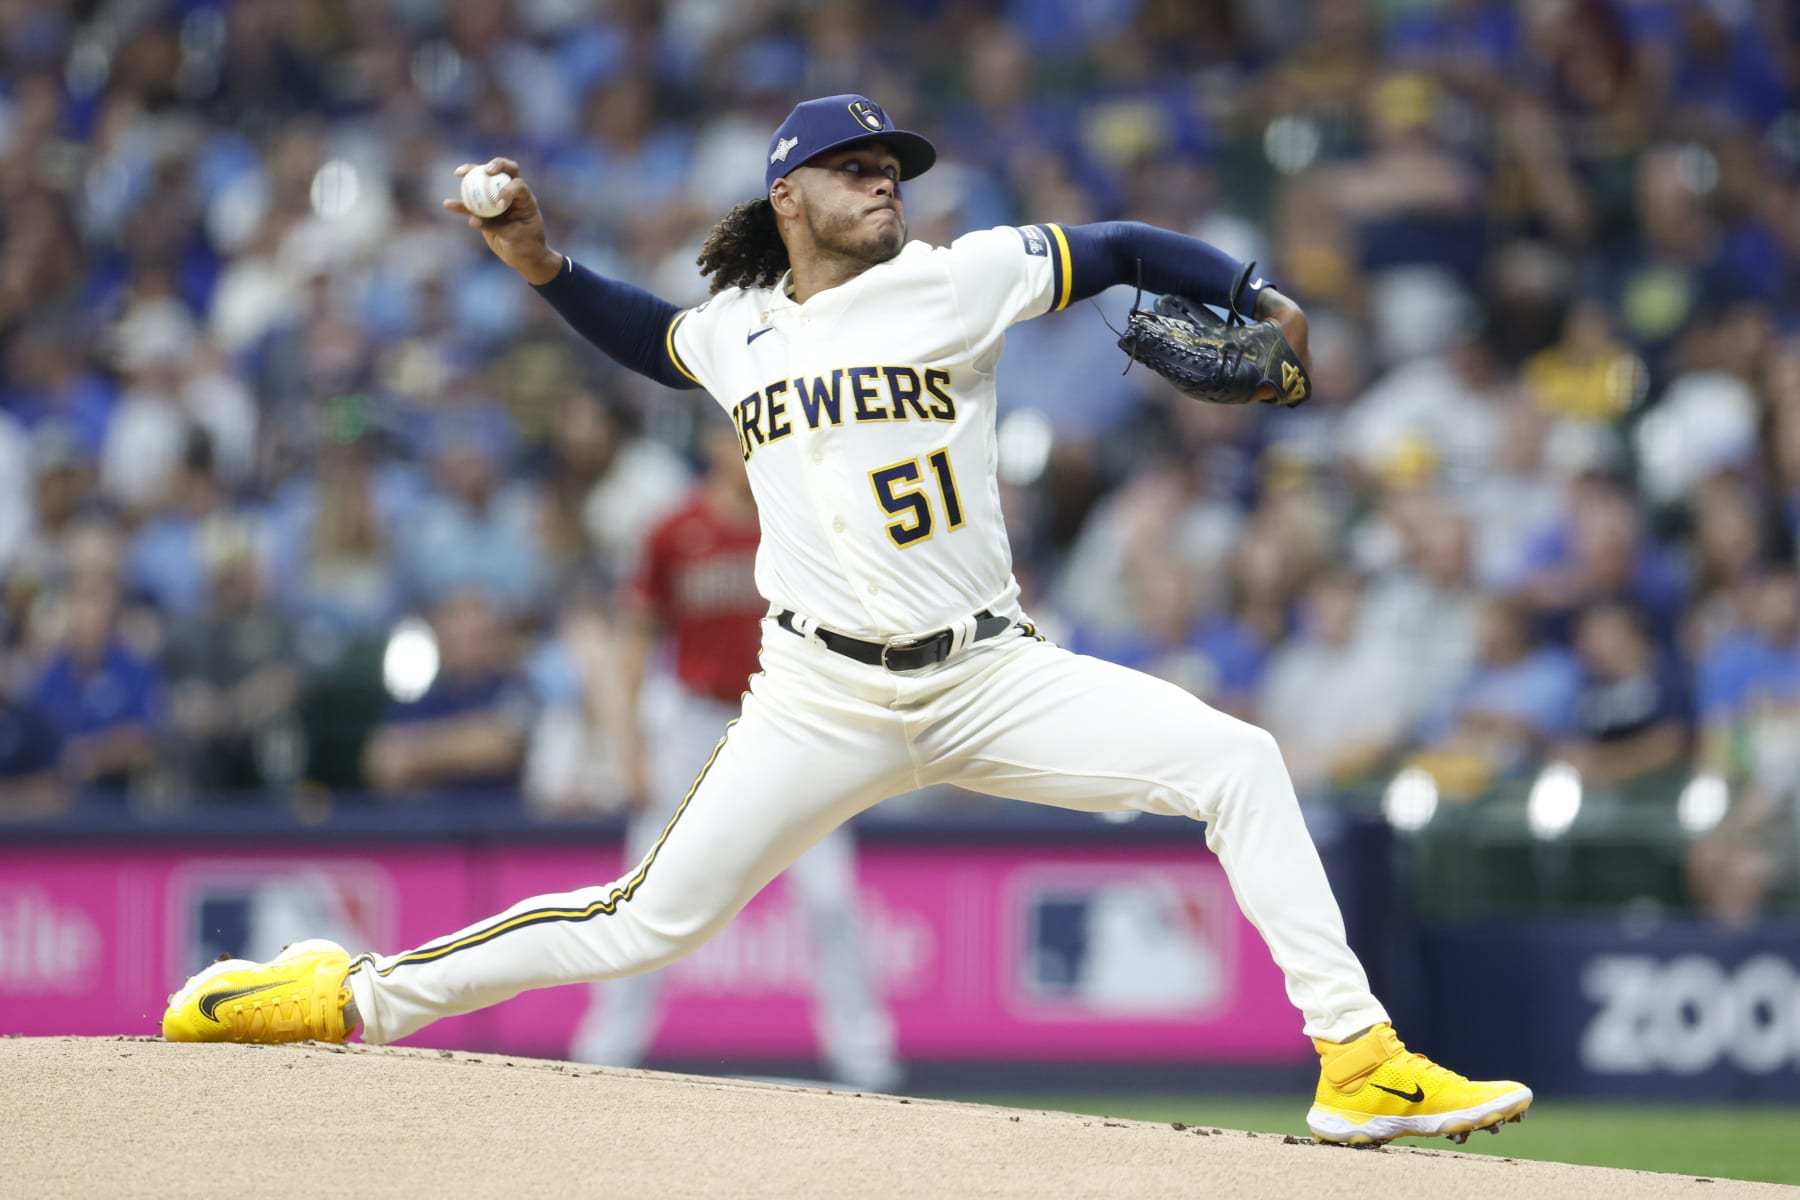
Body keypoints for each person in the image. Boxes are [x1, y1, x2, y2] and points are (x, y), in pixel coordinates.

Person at [163, 94, 1530, 1146]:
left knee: (1239, 763)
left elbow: (1111, 248)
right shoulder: (740, 329)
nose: (887, 181)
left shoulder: (959, 277)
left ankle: (1356, 1062)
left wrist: (1242, 292)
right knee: (641, 920)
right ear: (788, 195)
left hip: (994, 675)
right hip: (818, 700)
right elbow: (653, 336)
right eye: (859, 167)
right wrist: (541, 264)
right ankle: (349, 994)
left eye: (896, 168)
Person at [570, 419, 899, 1089]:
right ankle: (604, 1051)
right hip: (693, 721)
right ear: (714, 445)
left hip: (790, 718)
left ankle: (866, 1061)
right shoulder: (674, 530)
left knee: (831, 895)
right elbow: (634, 641)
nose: (744, 445)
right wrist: (627, 747)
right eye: (731, 432)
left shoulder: (808, 518)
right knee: (646, 891)